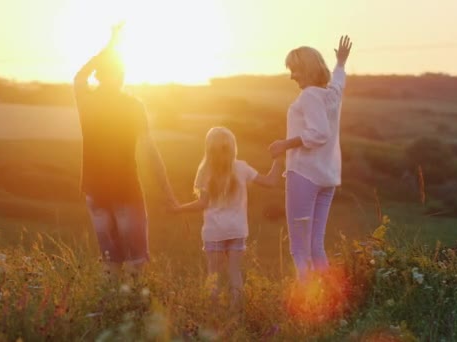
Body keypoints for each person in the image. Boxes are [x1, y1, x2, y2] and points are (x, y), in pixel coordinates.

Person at [74, 24, 176, 277]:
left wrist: (109, 45)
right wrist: (168, 193)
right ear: (122, 76)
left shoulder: (87, 103)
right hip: (125, 187)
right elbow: (150, 151)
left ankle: (110, 309)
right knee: (136, 260)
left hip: (95, 188)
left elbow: (79, 77)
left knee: (110, 260)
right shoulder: (133, 106)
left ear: (98, 75)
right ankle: (133, 309)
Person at [268, 36, 352, 281]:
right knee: (316, 245)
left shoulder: (309, 96)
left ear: (307, 69)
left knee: (299, 248)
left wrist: (285, 144)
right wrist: (341, 63)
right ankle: (328, 299)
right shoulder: (330, 96)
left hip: (304, 175)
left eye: (295, 70)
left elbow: (319, 133)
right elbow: (338, 84)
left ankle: (307, 303)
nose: (292, 76)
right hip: (327, 178)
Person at [172, 126, 283, 309]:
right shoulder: (242, 168)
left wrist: (178, 209)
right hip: (237, 230)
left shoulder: (204, 171)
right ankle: (236, 311)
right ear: (233, 147)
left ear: (208, 149)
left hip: (214, 231)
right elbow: (271, 181)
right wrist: (279, 159)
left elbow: (202, 204)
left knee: (213, 274)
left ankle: (212, 312)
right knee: (234, 272)